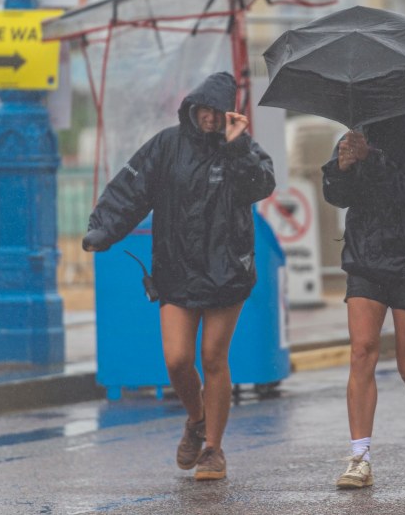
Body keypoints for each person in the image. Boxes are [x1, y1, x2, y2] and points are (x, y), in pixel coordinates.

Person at [82, 71, 275, 481]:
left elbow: (262, 184)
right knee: (178, 359)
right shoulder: (166, 145)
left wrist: (238, 146)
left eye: (216, 111)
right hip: (177, 269)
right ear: (192, 108)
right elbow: (129, 190)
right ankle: (196, 418)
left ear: (227, 114)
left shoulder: (240, 147)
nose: (208, 117)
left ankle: (213, 450)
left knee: (213, 359)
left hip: (227, 272)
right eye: (202, 109)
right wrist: (104, 228)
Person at [321, 112, 405, 489]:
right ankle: (359, 456)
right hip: (366, 257)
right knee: (362, 350)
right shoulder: (355, 134)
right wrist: (341, 168)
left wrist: (370, 159)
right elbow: (337, 196)